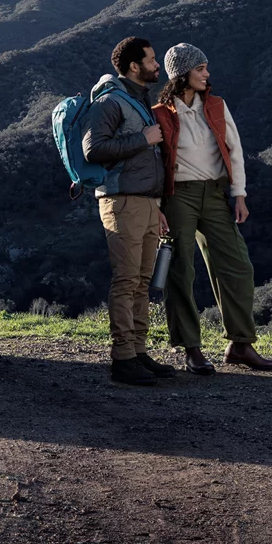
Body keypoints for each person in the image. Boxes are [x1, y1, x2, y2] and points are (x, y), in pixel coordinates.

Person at [152, 43, 272, 373]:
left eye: (206, 68)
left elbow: (234, 150)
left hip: (217, 194)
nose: (207, 75)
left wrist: (239, 195)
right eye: (200, 69)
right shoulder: (160, 114)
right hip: (178, 195)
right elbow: (150, 164)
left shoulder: (217, 106)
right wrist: (156, 206)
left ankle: (240, 344)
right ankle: (191, 349)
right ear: (181, 75)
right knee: (181, 270)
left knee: (237, 265)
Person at [83, 37, 175, 386]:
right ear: (134, 66)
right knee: (126, 280)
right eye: (151, 60)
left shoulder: (138, 100)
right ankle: (122, 358)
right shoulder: (109, 102)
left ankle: (137, 351)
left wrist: (158, 205)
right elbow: (94, 149)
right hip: (121, 201)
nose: (156, 66)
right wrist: (145, 139)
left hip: (147, 203)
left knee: (141, 283)